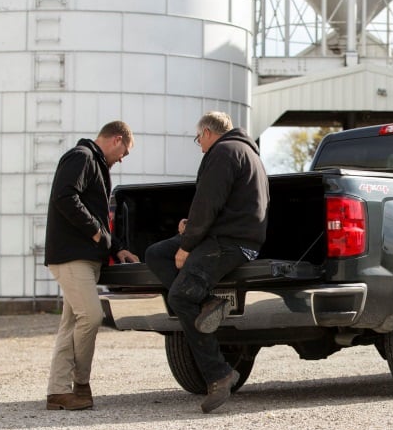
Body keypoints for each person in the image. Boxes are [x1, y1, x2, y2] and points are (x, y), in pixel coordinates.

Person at [145, 111, 269, 413]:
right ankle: (209, 301)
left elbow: (207, 200)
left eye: (198, 138)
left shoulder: (224, 151)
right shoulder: (245, 152)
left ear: (209, 133)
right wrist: (194, 226)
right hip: (227, 235)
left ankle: (220, 374)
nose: (199, 144)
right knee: (155, 254)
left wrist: (188, 244)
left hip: (229, 242)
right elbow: (221, 204)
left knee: (180, 297)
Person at [44, 121, 139, 411]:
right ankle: (80, 384)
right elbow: (64, 196)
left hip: (82, 257)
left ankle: (58, 392)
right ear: (116, 139)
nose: (123, 158)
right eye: (125, 151)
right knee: (92, 316)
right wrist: (95, 232)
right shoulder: (82, 157)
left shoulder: (95, 165)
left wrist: (116, 247)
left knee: (71, 324)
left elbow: (97, 213)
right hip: (72, 257)